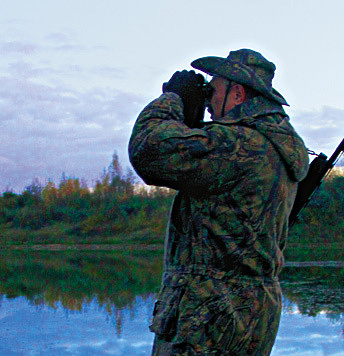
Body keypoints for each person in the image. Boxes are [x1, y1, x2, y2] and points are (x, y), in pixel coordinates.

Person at [128, 49, 309, 355]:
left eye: (214, 91)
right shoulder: (273, 147)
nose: (209, 101)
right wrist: (193, 121)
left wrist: (173, 99)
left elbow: (149, 150)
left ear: (237, 93)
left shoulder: (240, 144)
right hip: (249, 314)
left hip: (210, 318)